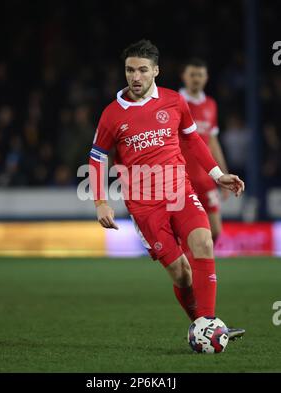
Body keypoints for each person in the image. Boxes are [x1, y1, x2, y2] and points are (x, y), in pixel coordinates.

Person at [88, 39, 245, 340]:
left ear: (156, 71)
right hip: (145, 207)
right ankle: (201, 323)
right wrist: (100, 201)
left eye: (142, 70)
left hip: (180, 192)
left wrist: (217, 174)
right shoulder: (112, 114)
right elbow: (96, 157)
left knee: (204, 242)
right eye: (130, 70)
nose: (135, 77)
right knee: (182, 274)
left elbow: (192, 140)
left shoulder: (174, 101)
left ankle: (208, 325)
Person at [179, 58, 229, 243]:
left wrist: (223, 174)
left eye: (200, 75)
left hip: (206, 178)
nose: (196, 79)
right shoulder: (175, 102)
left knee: (215, 231)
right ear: (184, 76)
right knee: (185, 232)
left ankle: (197, 266)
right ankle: (189, 269)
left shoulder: (211, 104)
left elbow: (212, 142)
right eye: (192, 74)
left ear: (206, 77)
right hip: (182, 178)